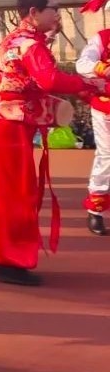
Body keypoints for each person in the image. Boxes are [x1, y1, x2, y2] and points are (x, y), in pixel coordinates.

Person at [0, 0, 103, 285]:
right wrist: (88, 84)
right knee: (18, 192)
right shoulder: (30, 44)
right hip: (10, 123)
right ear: (33, 13)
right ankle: (10, 261)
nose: (57, 13)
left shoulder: (16, 39)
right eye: (52, 8)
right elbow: (48, 79)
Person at [76, 26, 110, 235]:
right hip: (106, 107)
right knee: (107, 156)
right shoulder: (103, 38)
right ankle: (96, 210)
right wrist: (102, 68)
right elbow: (82, 64)